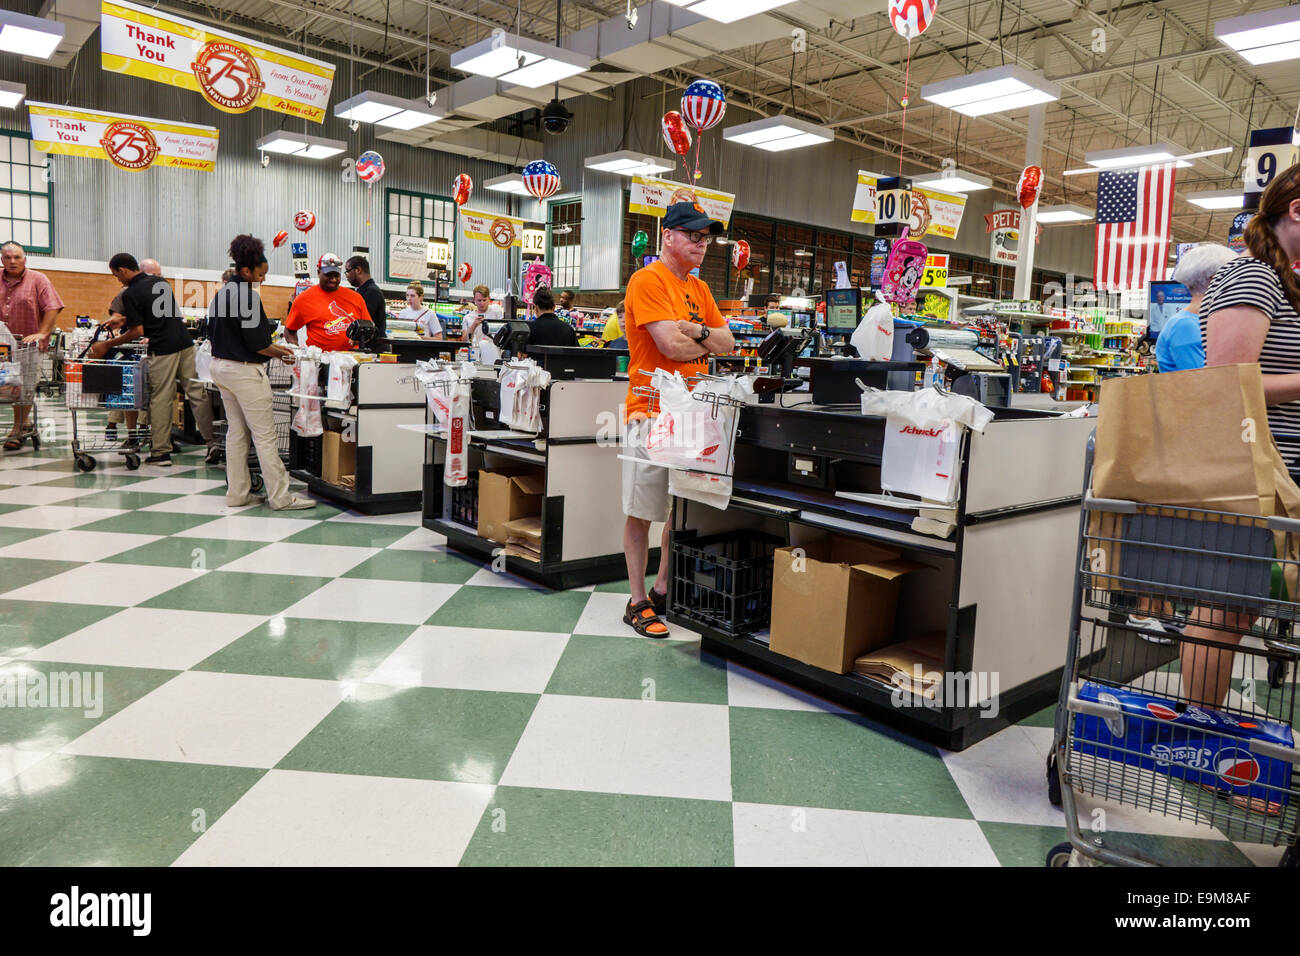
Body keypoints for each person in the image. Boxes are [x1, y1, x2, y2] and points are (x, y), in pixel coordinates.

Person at [1189, 165, 1300, 737]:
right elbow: (1227, 380)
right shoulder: (1254, 278)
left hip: (1280, 477)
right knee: (1223, 611)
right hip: (1252, 472)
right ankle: (1204, 739)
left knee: (1238, 608)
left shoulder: (1284, 283)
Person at [620, 201, 735, 637]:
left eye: (706, 238)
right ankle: (636, 601)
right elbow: (669, 346)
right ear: (668, 235)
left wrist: (699, 334)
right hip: (649, 410)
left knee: (678, 506)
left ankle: (663, 587)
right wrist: (704, 340)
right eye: (693, 235)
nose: (702, 244)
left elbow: (728, 341)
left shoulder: (700, 291)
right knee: (641, 509)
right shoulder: (647, 280)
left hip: (691, 410)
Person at [207, 234, 314, 511]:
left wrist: (274, 348)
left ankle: (238, 493)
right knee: (265, 436)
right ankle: (281, 497)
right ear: (246, 271)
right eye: (261, 274)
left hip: (220, 367)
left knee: (236, 433)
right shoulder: (247, 297)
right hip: (243, 372)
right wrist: (286, 353)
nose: (263, 279)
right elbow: (259, 344)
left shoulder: (222, 293)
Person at [94, 253, 214, 467]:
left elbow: (137, 330)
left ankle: (161, 452)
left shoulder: (130, 293)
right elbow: (159, 315)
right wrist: (121, 320)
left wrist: (107, 344)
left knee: (161, 397)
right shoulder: (161, 283)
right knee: (197, 393)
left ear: (122, 270)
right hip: (185, 343)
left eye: (116, 275)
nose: (117, 280)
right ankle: (213, 443)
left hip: (163, 348)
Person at [0, 241, 63, 451]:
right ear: (2, 260)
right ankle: (24, 422)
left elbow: (52, 307)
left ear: (24, 259)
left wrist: (43, 332)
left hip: (28, 344)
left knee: (24, 388)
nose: (12, 261)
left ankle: (17, 428)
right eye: (8, 257)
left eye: (17, 257)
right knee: (7, 388)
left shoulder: (38, 279)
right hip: (2, 348)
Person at [1155, 245, 1237, 373]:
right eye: (1234, 277)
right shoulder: (1185, 326)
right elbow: (1205, 381)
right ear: (1214, 278)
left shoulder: (1196, 322)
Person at [284, 254, 367, 351]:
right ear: (319, 272)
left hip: (350, 360)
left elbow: (367, 328)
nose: (333, 279)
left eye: (336, 275)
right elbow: (289, 330)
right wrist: (296, 352)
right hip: (319, 362)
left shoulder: (356, 298)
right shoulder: (303, 299)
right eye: (328, 275)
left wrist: (360, 339)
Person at [344, 255, 388, 339]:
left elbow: (362, 322)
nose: (346, 275)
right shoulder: (363, 291)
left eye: (348, 271)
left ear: (358, 270)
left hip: (373, 347)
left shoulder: (371, 292)